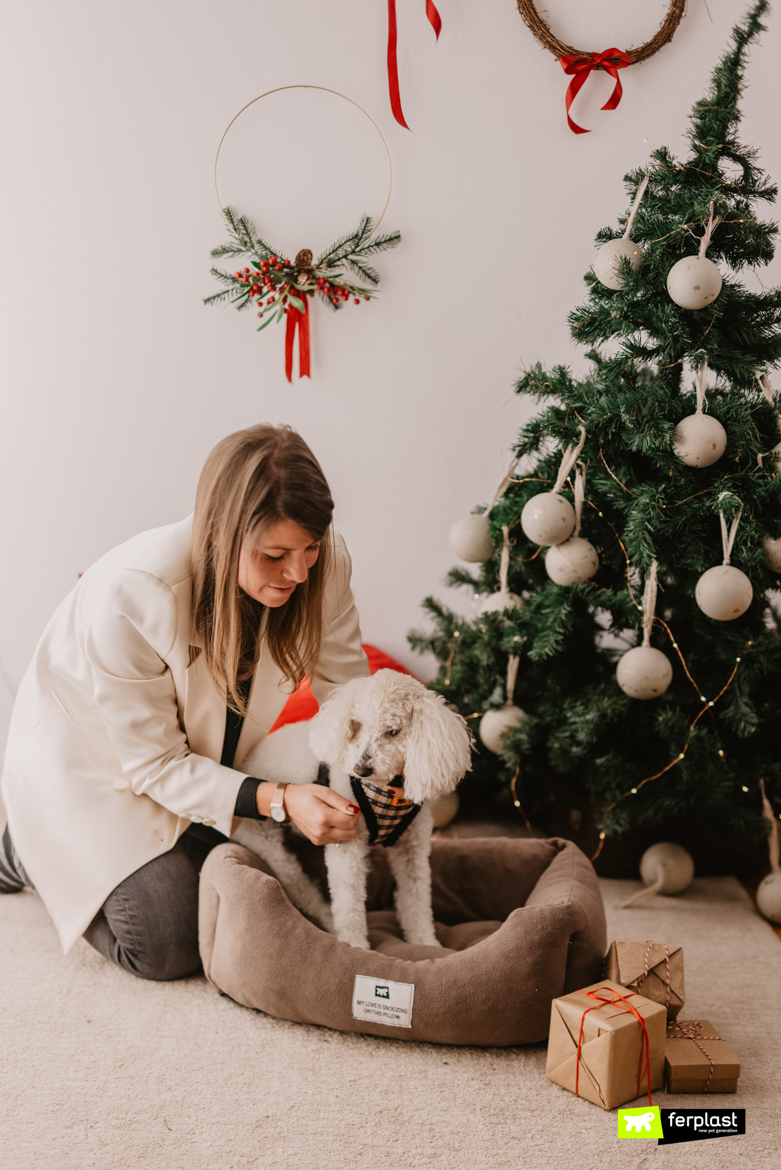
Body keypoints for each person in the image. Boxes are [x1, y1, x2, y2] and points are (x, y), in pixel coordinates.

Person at [0, 424, 370, 980]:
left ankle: (197, 836)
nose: (298, 572)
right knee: (167, 942)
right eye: (275, 554)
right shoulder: (133, 593)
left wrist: (375, 776)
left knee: (302, 880)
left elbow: (348, 693)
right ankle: (20, 847)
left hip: (196, 759)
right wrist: (281, 799)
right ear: (219, 534)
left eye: (310, 547)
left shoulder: (324, 566)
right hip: (94, 768)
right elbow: (154, 764)